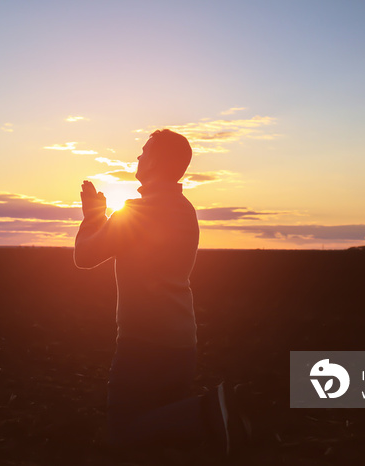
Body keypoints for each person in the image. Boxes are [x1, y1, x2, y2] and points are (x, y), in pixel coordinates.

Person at [74, 129, 249, 456]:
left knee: (123, 433)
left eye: (144, 151)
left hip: (143, 343)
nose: (138, 157)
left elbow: (84, 256)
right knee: (164, 431)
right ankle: (221, 414)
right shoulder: (184, 209)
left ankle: (217, 407)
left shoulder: (141, 212)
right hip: (183, 342)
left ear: (155, 162)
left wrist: (92, 216)